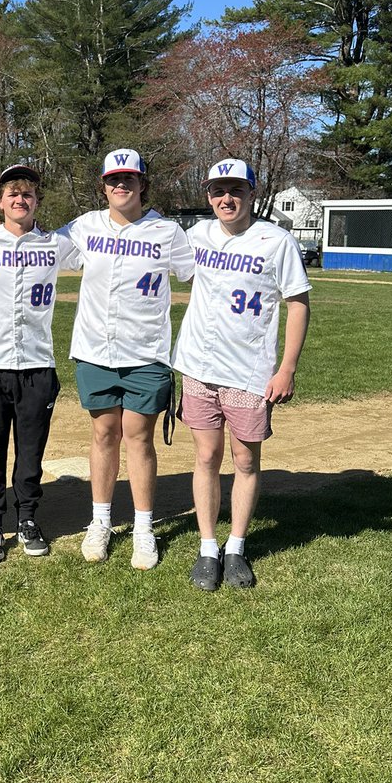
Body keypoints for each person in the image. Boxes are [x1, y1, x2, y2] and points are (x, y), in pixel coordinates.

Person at [172, 158, 311, 590]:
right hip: (198, 365)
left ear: (253, 193)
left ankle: (236, 547)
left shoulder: (276, 241)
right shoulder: (195, 236)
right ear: (208, 196)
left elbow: (298, 303)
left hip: (249, 372)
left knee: (246, 460)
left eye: (235, 190)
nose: (226, 199)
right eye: (217, 191)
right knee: (206, 457)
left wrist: (286, 368)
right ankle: (208, 548)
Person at [58, 150, 195, 569]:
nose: (122, 185)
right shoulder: (84, 226)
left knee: (138, 437)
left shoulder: (167, 233)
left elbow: (198, 275)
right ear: (104, 186)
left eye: (130, 178)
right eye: (114, 179)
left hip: (146, 353)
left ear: (142, 184)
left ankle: (142, 527)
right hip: (95, 351)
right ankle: (100, 521)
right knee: (103, 434)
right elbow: (42, 243)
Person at [0, 165, 81, 562]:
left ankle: (26, 518)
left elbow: (103, 239)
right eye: (12, 194)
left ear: (37, 201)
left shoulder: (55, 243)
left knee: (30, 451)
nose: (20, 200)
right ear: (0, 202)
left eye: (27, 194)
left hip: (38, 364)